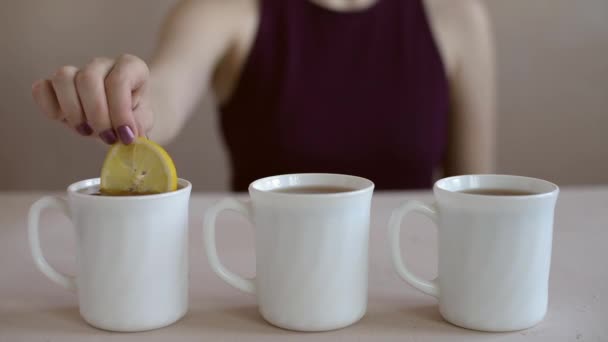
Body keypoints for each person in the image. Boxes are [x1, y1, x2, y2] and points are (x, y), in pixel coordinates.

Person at [31, 0, 496, 191]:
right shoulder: (225, 10)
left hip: (408, 293)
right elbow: (165, 92)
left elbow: (477, 196)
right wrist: (128, 101)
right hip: (265, 288)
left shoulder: (456, 16)